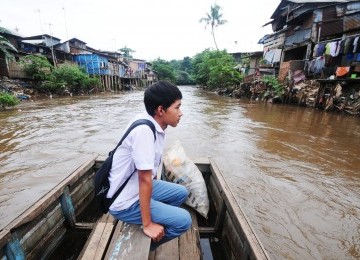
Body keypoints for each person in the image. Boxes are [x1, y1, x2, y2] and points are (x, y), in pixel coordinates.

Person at [108, 80, 191, 250]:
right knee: (184, 221)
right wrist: (147, 224)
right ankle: (142, 246)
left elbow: (149, 173)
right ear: (160, 110)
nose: (181, 113)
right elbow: (144, 179)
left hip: (135, 188)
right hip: (125, 201)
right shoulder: (144, 132)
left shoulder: (149, 121)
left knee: (181, 192)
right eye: (177, 107)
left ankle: (154, 219)